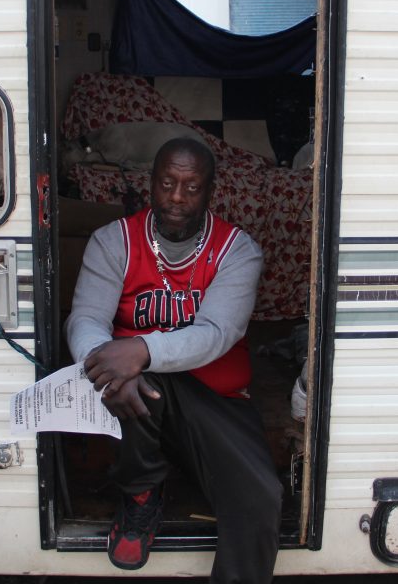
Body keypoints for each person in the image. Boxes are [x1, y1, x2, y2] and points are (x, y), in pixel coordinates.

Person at [65, 137, 282, 583]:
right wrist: (102, 363)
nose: (177, 198)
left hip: (216, 396)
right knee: (135, 383)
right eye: (167, 183)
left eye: (191, 186)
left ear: (209, 191)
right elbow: (86, 317)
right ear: (152, 183)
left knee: (262, 498)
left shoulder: (237, 250)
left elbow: (217, 334)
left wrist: (141, 349)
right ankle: (141, 493)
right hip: (136, 393)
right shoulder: (114, 241)